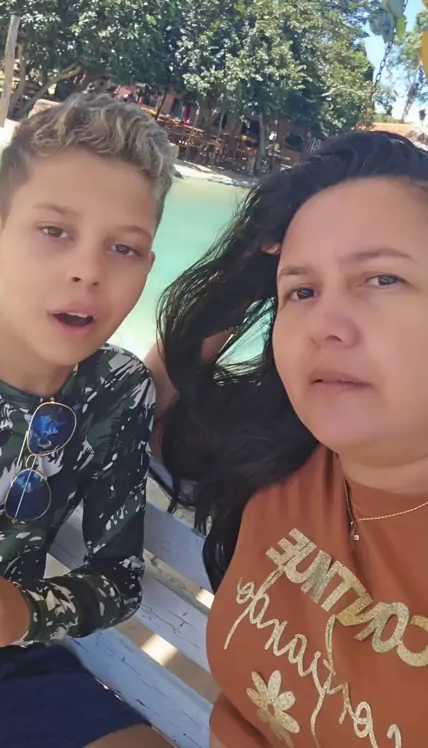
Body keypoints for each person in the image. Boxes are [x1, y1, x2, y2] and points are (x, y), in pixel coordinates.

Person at [146, 130, 428, 746]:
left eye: (382, 279)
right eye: (301, 291)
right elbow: (151, 408)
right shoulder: (280, 459)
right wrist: (243, 271)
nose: (323, 324)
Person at [0, 94, 174, 748]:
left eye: (124, 248)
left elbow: (118, 579)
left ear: (147, 270)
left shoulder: (118, 392)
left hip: (1, 665)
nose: (88, 271)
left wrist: (19, 611)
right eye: (54, 231)